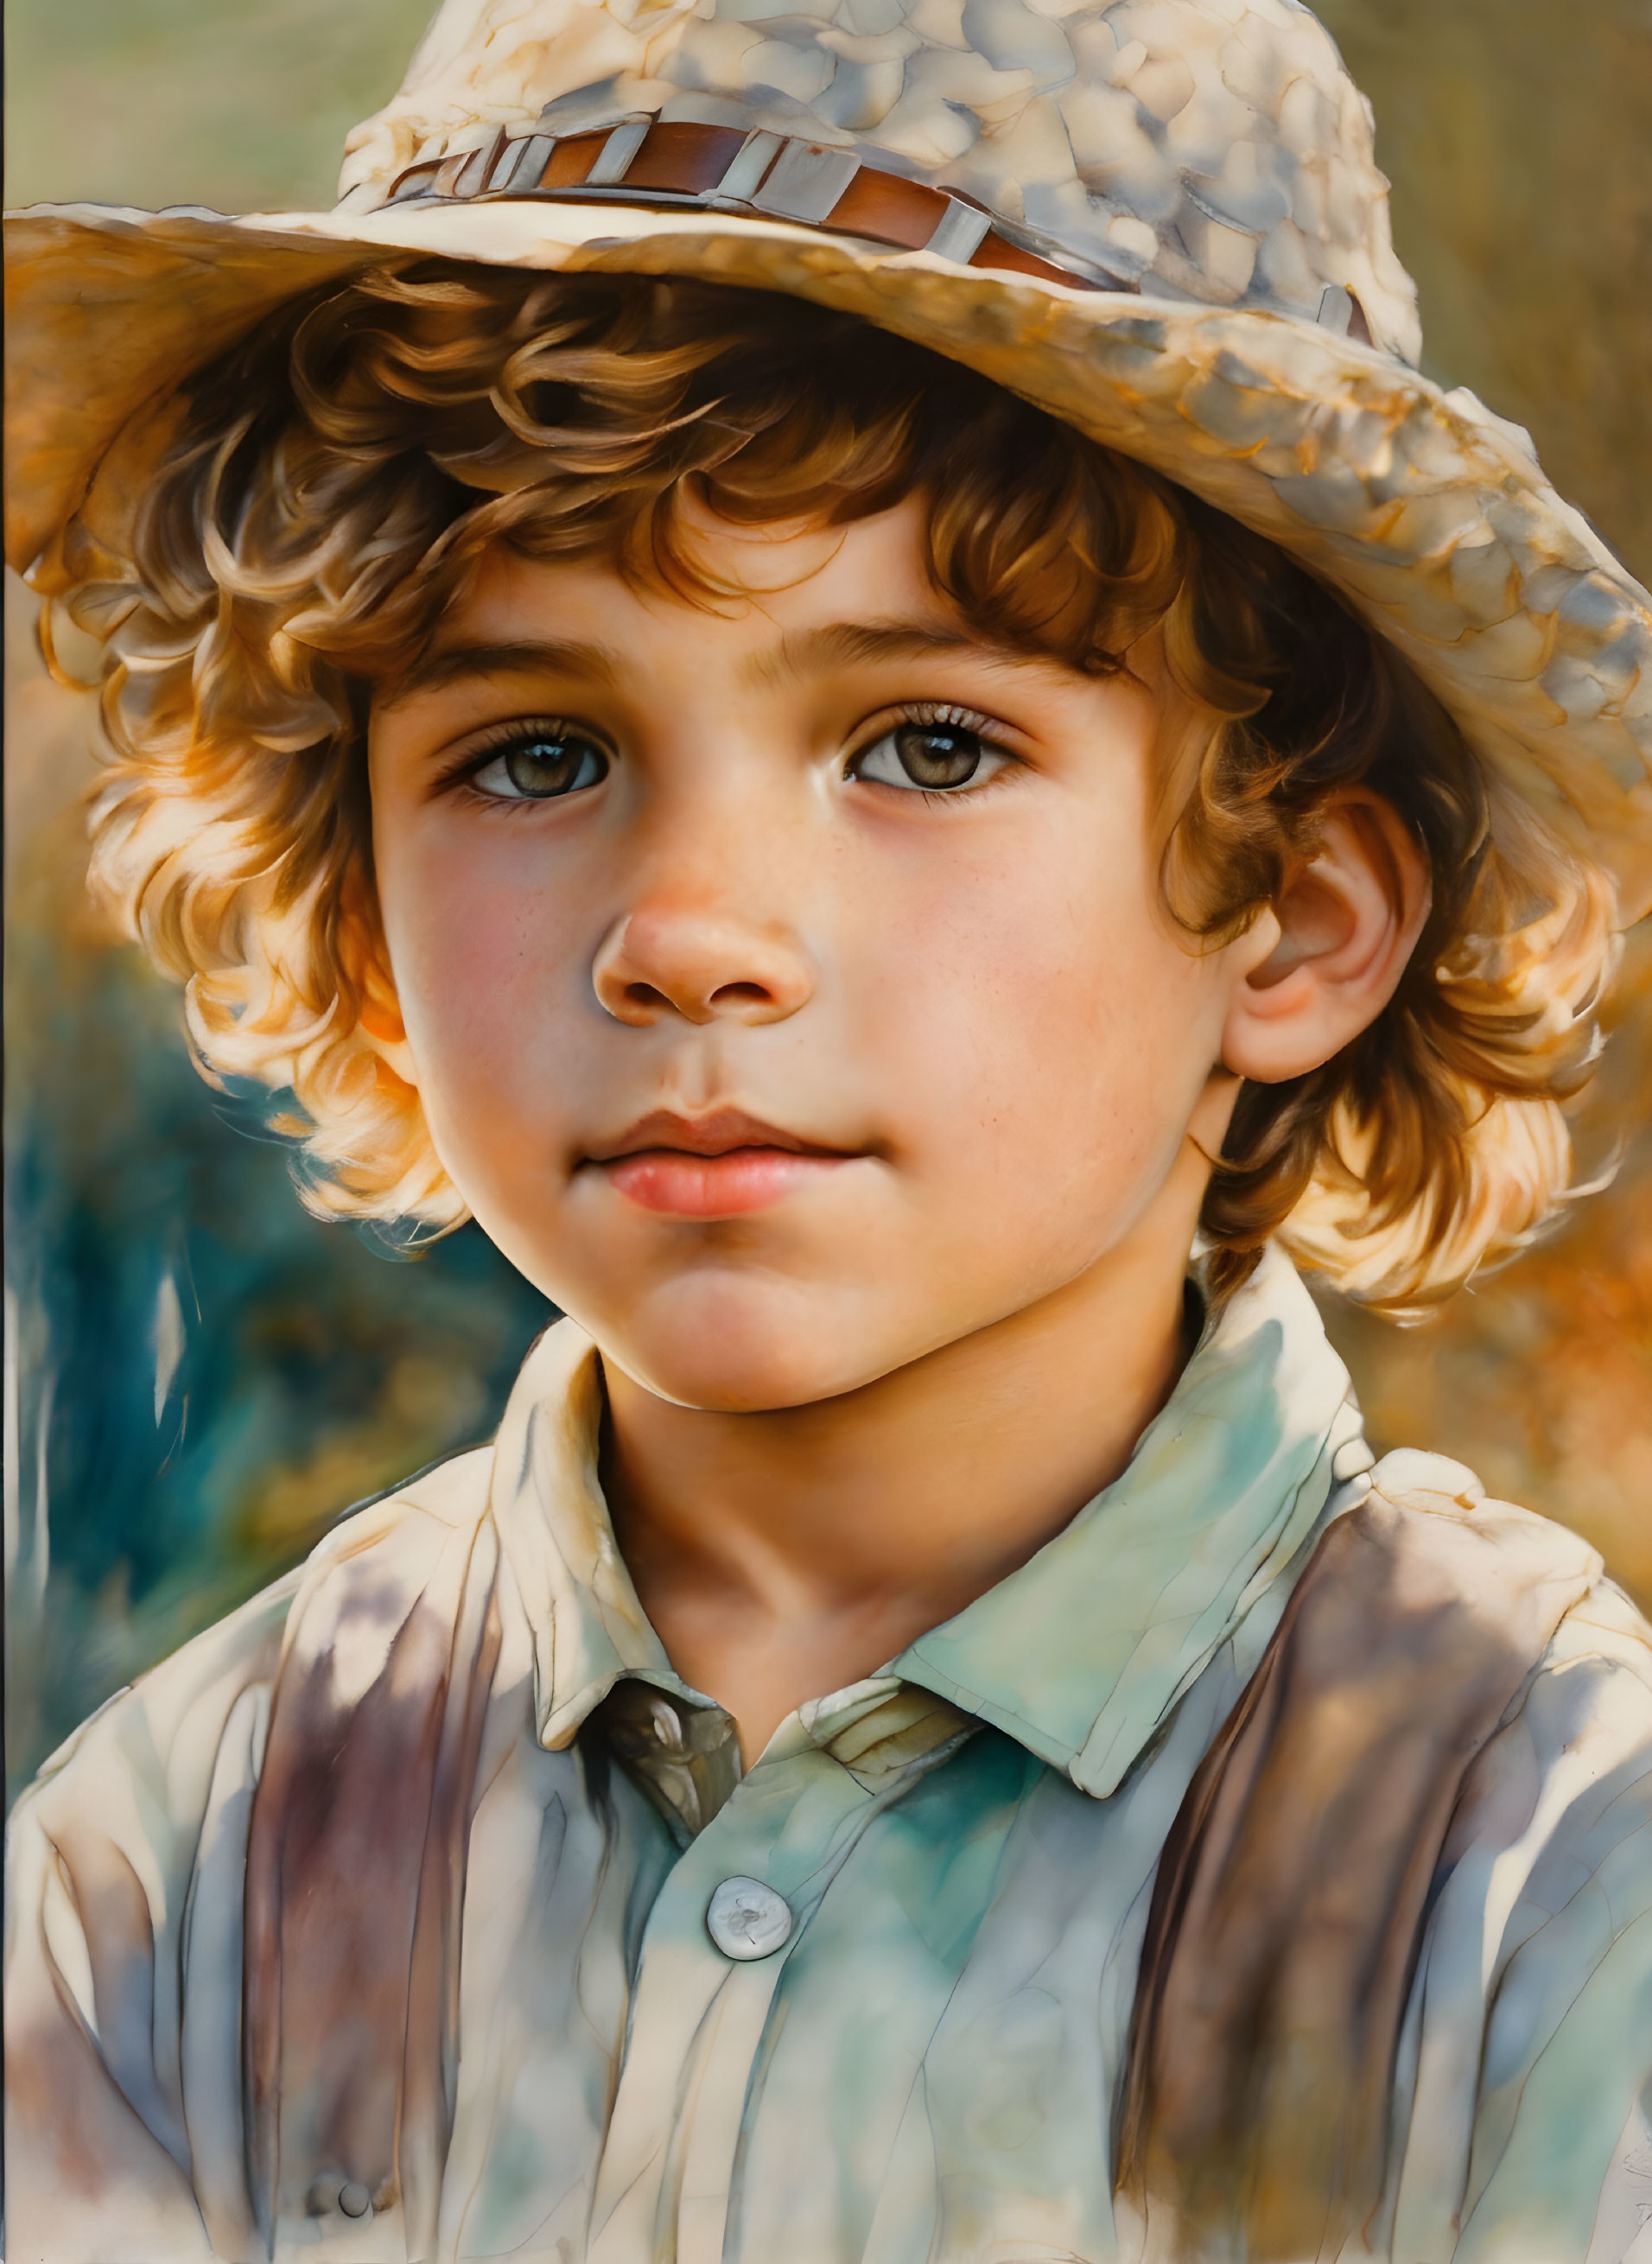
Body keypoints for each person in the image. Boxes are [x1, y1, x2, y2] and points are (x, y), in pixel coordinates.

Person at [5, 1, 1650, 2258]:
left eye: (931, 747)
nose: (690, 935)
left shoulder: (1546, 1866)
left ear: (1292, 910)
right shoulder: (167, 1878)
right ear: (361, 913)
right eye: (534, 755)